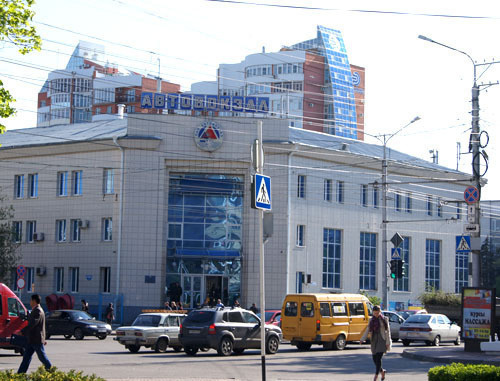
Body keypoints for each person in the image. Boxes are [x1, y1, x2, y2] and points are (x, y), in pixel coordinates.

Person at [17, 294, 52, 374]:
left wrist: (22, 331)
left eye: (31, 300)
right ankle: (20, 374)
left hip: (36, 339)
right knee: (26, 358)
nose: (30, 302)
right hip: (32, 339)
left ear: (34, 301)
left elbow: (33, 324)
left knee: (42, 357)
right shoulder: (36, 310)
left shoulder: (38, 310)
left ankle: (51, 370)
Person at [362, 305, 391, 381]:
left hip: (382, 340)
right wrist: (362, 339)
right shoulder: (371, 320)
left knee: (378, 358)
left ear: (380, 312)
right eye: (374, 313)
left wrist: (388, 342)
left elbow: (388, 332)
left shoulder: (384, 319)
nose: (376, 314)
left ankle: (376, 376)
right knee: (374, 359)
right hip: (374, 340)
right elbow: (368, 329)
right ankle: (382, 371)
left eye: (377, 313)